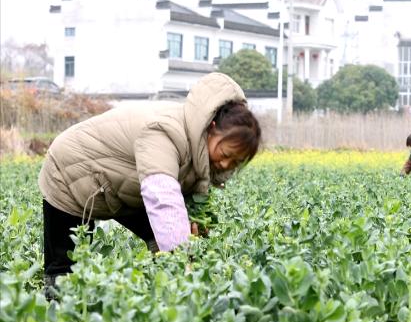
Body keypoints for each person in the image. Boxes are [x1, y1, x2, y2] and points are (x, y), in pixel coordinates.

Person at [38, 72, 261, 297]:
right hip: (69, 169)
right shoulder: (167, 132)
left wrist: (193, 228)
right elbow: (163, 199)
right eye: (224, 154)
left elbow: (188, 202)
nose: (225, 164)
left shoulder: (197, 138)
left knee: (163, 239)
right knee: (65, 273)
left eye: (235, 162)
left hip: (119, 186)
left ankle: (163, 300)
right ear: (212, 126)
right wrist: (184, 265)